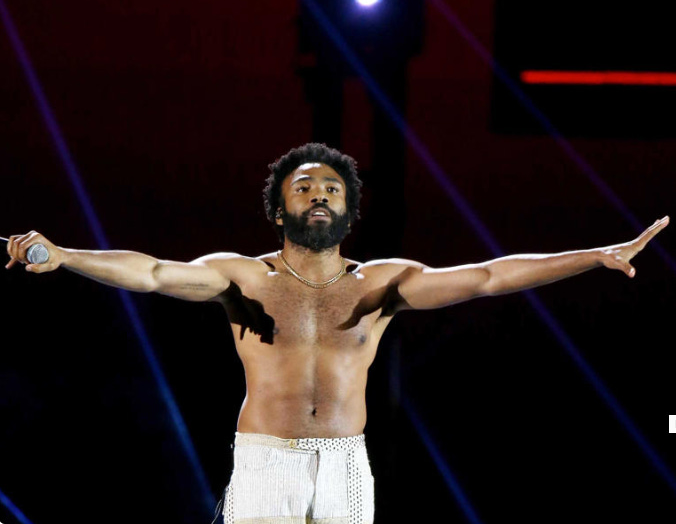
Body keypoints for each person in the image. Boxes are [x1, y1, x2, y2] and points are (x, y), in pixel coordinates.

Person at [4, 143, 669, 524]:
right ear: (279, 209)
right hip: (265, 461)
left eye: (331, 187)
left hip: (348, 465)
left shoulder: (382, 282)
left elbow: (490, 276)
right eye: (303, 188)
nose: (318, 194)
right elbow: (152, 272)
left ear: (349, 210)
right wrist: (65, 256)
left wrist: (595, 255)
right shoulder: (243, 275)